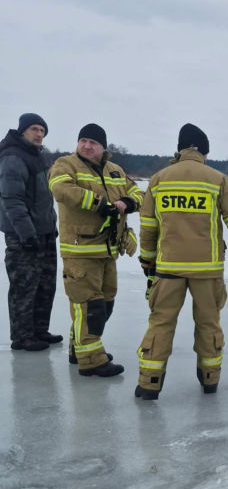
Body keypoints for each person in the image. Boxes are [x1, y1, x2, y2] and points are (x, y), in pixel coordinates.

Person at [135, 123, 228, 400]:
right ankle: (209, 379)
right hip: (208, 271)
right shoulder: (216, 179)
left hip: (168, 269)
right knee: (208, 323)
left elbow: (148, 226)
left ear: (180, 149)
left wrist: (147, 260)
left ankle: (149, 382)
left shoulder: (158, 180)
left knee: (161, 322)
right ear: (203, 150)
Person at [48, 123, 143, 377]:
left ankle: (78, 348)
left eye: (93, 142)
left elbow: (138, 192)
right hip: (80, 250)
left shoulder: (114, 170)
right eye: (83, 141)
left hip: (108, 250)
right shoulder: (65, 164)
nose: (87, 146)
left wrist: (129, 202)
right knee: (89, 306)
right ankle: (91, 360)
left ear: (103, 148)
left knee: (105, 304)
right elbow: (61, 189)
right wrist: (98, 204)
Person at [0, 113, 60, 350]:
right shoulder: (13, 157)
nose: (39, 134)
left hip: (44, 233)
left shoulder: (38, 156)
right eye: (35, 129)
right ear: (23, 130)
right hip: (23, 235)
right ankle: (22, 336)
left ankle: (39, 330)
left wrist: (50, 227)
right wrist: (26, 233)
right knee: (24, 286)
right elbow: (11, 199)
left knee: (45, 284)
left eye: (42, 130)